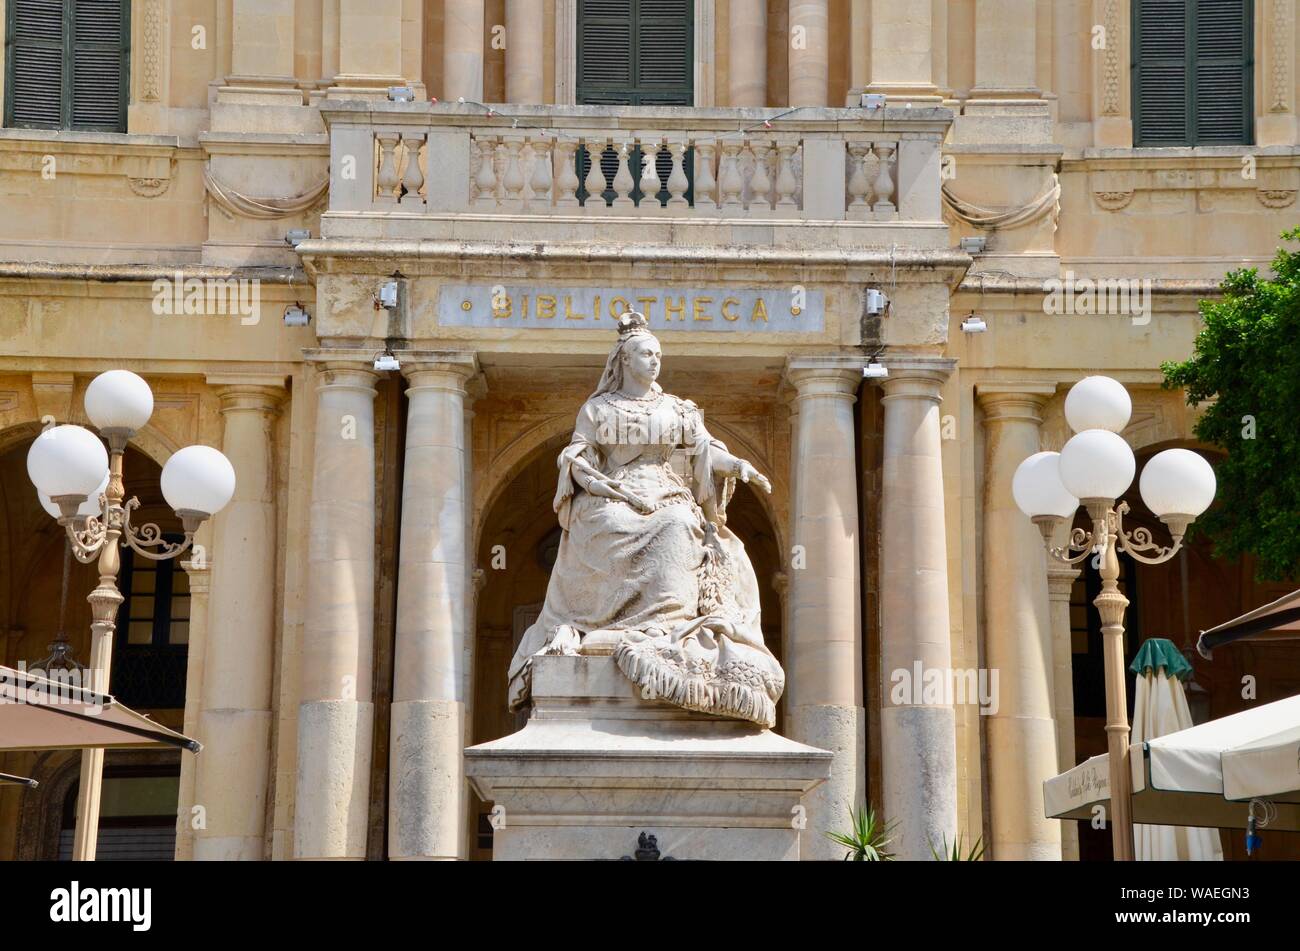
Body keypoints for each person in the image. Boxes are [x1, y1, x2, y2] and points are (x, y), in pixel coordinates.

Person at [506, 311, 785, 727]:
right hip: (612, 493)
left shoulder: (678, 409)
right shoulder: (598, 408)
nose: (653, 361)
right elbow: (580, 453)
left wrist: (738, 465)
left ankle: (666, 626)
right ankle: (596, 626)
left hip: (666, 491)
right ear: (624, 361)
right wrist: (586, 472)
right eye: (644, 354)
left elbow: (704, 451)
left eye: (657, 354)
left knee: (676, 524)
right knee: (603, 520)